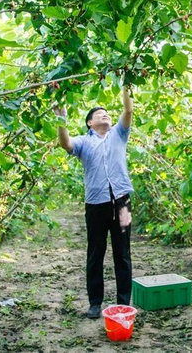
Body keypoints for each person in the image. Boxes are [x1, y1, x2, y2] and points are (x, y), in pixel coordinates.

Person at [54, 87, 134, 319]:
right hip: (95, 205)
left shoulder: (119, 134)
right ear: (90, 123)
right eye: (99, 113)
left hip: (122, 203)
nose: (105, 114)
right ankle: (95, 303)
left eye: (107, 112)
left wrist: (126, 84)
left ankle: (123, 303)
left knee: (123, 252)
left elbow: (128, 110)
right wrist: (61, 118)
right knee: (95, 253)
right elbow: (65, 143)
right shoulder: (83, 142)